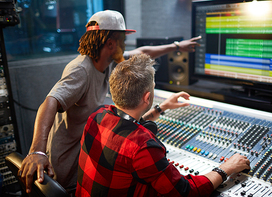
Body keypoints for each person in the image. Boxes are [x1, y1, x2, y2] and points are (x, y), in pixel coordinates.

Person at [18, 10, 202, 194]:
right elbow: (50, 102)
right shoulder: (81, 69)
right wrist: (37, 151)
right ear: (111, 43)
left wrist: (177, 46)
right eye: (123, 39)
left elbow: (142, 53)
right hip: (66, 167)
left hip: (86, 156)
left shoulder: (108, 61)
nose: (125, 44)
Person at [75, 54, 251, 197]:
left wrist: (160, 108)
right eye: (152, 87)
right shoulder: (143, 148)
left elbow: (125, 125)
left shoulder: (97, 116)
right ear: (147, 97)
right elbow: (185, 192)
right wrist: (226, 168)